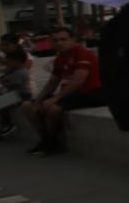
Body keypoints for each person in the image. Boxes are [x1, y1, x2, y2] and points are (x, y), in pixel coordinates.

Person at [21, 26, 106, 156]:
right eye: (55, 40)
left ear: (73, 39)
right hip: (72, 93)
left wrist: (55, 99)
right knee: (28, 106)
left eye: (63, 39)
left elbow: (78, 81)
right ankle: (46, 140)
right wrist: (38, 99)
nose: (59, 43)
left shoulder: (82, 53)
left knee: (53, 108)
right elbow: (53, 81)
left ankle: (53, 141)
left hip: (90, 93)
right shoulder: (61, 57)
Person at [0, 37, 33, 141]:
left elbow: (14, 85)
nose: (7, 65)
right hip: (14, 94)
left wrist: (4, 83)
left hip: (20, 95)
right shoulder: (13, 70)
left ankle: (6, 124)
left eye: (9, 62)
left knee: (0, 105)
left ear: (17, 62)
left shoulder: (20, 72)